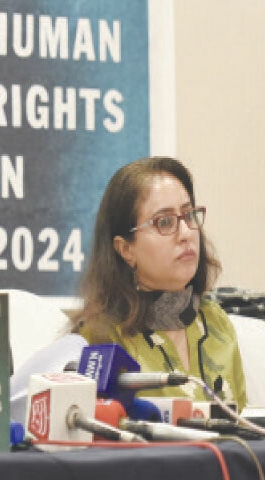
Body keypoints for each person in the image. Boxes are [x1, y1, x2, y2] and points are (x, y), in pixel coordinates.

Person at [72, 157, 247, 410]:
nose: (186, 233)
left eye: (189, 215)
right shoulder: (100, 338)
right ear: (125, 249)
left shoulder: (216, 322)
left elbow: (247, 429)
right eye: (164, 222)